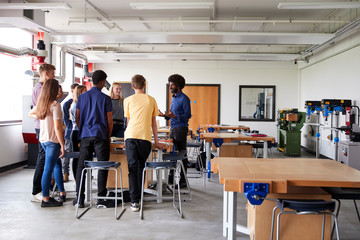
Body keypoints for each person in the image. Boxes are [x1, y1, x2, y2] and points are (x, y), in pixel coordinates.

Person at [124, 74, 166, 212]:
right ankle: (138, 197)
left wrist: (126, 138)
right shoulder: (151, 100)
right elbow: (154, 123)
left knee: (132, 168)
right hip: (145, 138)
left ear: (132, 86)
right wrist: (157, 141)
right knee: (140, 168)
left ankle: (134, 201)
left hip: (131, 137)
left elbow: (129, 122)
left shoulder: (127, 100)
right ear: (144, 85)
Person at [74, 70, 113, 208]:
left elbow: (77, 117)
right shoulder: (106, 98)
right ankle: (101, 199)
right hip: (100, 135)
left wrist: (83, 129)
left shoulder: (82, 97)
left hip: (85, 135)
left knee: (81, 167)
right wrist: (108, 137)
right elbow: (109, 121)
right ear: (102, 82)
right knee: (102, 166)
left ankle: (79, 199)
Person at [28, 78, 66, 207]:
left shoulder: (42, 103)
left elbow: (30, 113)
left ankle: (61, 192)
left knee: (55, 166)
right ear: (54, 90)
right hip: (52, 141)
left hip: (44, 140)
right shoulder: (55, 104)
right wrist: (62, 144)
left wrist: (40, 115)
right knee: (48, 169)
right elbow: (57, 127)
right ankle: (45, 198)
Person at [159, 74, 191, 188]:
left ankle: (183, 181)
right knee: (172, 153)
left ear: (178, 85)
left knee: (181, 154)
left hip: (181, 129)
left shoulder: (184, 98)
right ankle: (171, 180)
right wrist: (165, 116)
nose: (170, 86)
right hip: (172, 128)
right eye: (170, 84)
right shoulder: (174, 98)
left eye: (172, 84)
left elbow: (187, 116)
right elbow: (173, 114)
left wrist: (175, 116)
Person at [31, 63, 56, 203]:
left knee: (47, 160)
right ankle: (36, 191)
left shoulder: (41, 88)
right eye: (52, 73)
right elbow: (41, 111)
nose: (53, 76)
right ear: (46, 73)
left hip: (43, 126)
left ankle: (46, 187)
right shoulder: (41, 89)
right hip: (42, 127)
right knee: (42, 159)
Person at [61, 83, 79, 182]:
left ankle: (79, 172)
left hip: (78, 133)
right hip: (70, 132)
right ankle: (65, 172)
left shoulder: (81, 102)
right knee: (67, 153)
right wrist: (72, 127)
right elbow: (66, 120)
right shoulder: (67, 103)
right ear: (72, 91)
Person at [69, 85, 87, 180]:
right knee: (77, 157)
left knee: (81, 157)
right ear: (80, 93)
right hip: (77, 132)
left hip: (79, 131)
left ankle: (80, 178)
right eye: (85, 91)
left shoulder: (79, 104)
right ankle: (77, 179)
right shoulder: (76, 105)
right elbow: (78, 120)